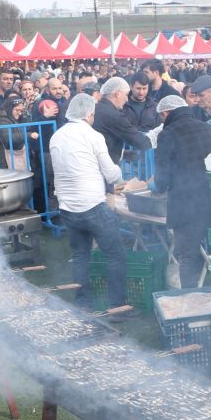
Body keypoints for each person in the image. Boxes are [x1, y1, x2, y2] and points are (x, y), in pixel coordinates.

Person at [49, 94, 130, 316]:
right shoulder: (93, 136)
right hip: (92, 205)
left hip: (67, 207)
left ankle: (83, 304)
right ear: (87, 114)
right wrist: (119, 171)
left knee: (81, 255)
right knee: (115, 254)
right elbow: (111, 175)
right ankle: (118, 307)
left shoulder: (56, 136)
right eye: (93, 113)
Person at [153, 96, 211, 289]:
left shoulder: (167, 134)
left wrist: (156, 185)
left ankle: (190, 300)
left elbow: (162, 179)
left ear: (165, 114)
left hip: (186, 206)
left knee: (188, 257)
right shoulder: (207, 128)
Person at [93, 77, 152, 163]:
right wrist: (157, 134)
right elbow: (141, 142)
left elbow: (106, 141)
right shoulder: (114, 116)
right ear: (117, 93)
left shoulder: (93, 109)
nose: (127, 99)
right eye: (126, 94)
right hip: (105, 167)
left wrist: (122, 154)